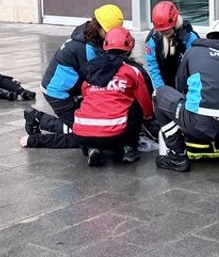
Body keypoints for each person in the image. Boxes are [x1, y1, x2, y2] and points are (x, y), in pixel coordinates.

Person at [21, 27, 154, 166]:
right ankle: (129, 148)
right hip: (115, 136)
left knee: (84, 115)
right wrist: (149, 117)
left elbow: (85, 93)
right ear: (129, 48)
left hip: (82, 134)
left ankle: (92, 147)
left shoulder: (92, 68)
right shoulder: (132, 70)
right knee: (134, 102)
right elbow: (145, 101)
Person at [153, 19, 219, 173]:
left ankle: (177, 155)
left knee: (159, 94)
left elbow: (180, 86)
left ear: (209, 35)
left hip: (202, 126)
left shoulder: (194, 51)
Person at [25, 3, 122, 135]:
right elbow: (98, 77)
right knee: (82, 129)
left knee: (91, 123)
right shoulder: (86, 49)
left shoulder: (87, 34)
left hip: (69, 88)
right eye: (110, 33)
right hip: (57, 93)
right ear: (99, 28)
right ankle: (38, 118)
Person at [143, 0, 199, 89]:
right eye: (162, 31)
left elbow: (196, 66)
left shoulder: (189, 37)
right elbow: (153, 66)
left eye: (168, 30)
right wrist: (161, 89)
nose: (165, 32)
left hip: (187, 85)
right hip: (165, 82)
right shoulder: (153, 40)